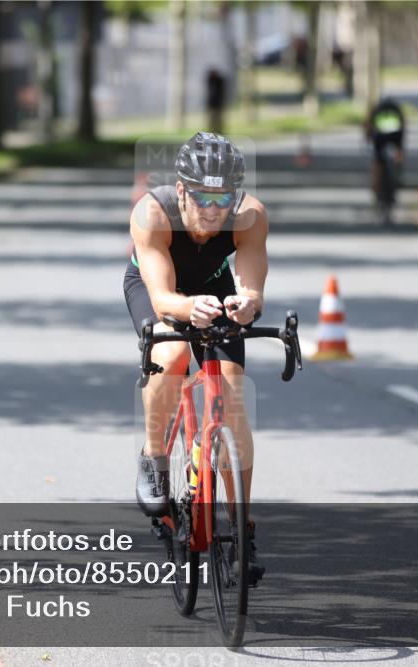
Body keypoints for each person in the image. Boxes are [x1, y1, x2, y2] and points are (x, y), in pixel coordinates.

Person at [125, 132, 268, 583]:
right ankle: (154, 457)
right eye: (202, 195)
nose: (212, 208)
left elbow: (250, 288)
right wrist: (190, 308)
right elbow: (165, 297)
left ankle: (242, 530)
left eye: (223, 196)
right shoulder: (152, 214)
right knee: (169, 357)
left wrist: (247, 304)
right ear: (182, 189)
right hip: (159, 288)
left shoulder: (249, 217)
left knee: (232, 392)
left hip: (216, 287)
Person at [365, 97, 405, 210]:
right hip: (395, 138)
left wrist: (367, 139)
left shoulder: (376, 110)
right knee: (398, 157)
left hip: (380, 139)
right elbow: (403, 129)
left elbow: (368, 127)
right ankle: (398, 178)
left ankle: (376, 188)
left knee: (377, 163)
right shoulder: (396, 110)